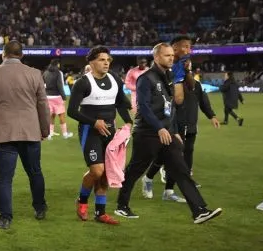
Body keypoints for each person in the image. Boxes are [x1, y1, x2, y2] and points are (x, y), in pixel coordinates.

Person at [114, 43, 222, 224]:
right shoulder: (146, 79)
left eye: (172, 55)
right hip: (147, 133)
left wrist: (174, 131)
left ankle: (199, 210)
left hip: (166, 134)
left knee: (181, 170)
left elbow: (170, 108)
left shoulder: (169, 77)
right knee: (135, 171)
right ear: (156, 57)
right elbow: (144, 108)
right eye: (167, 55)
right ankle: (121, 206)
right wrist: (160, 128)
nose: (171, 58)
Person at [0, 40, 49, 229]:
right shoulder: (35, 74)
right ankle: (40, 207)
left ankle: (5, 217)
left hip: (4, 132)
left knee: (4, 178)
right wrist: (44, 129)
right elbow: (43, 106)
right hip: (30, 131)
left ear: (2, 54)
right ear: (21, 55)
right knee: (35, 172)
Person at [67, 47, 133, 225]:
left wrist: (128, 122)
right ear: (92, 62)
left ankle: (100, 213)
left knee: (106, 174)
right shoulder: (83, 83)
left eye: (108, 60)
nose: (106, 63)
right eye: (102, 59)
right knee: (97, 171)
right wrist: (94, 122)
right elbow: (71, 111)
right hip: (91, 131)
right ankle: (81, 201)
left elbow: (120, 102)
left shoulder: (114, 79)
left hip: (111, 132)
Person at [146, 58, 220, 201]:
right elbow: (166, 106)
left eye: (189, 63)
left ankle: (169, 190)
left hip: (190, 126)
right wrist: (171, 128)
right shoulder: (171, 85)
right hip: (174, 126)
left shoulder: (196, 85)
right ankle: (149, 178)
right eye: (184, 63)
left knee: (187, 154)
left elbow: (203, 101)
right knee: (169, 157)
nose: (187, 65)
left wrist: (212, 116)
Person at [43, 59, 72, 139]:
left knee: (51, 115)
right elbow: (60, 85)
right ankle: (65, 134)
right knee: (61, 115)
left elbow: (43, 84)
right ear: (57, 64)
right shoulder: (59, 73)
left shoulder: (45, 72)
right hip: (57, 96)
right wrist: (64, 97)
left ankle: (50, 134)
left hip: (48, 96)